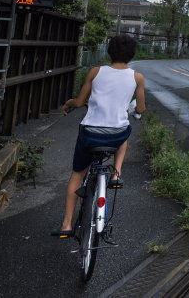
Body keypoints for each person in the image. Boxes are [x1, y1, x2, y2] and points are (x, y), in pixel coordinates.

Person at [53, 34, 146, 237]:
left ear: (109, 52)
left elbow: (79, 102)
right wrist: (130, 109)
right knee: (124, 134)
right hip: (116, 134)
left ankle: (66, 225)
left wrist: (68, 103)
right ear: (132, 55)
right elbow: (141, 108)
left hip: (90, 133)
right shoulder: (136, 77)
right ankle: (116, 173)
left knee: (77, 174)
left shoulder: (96, 72)